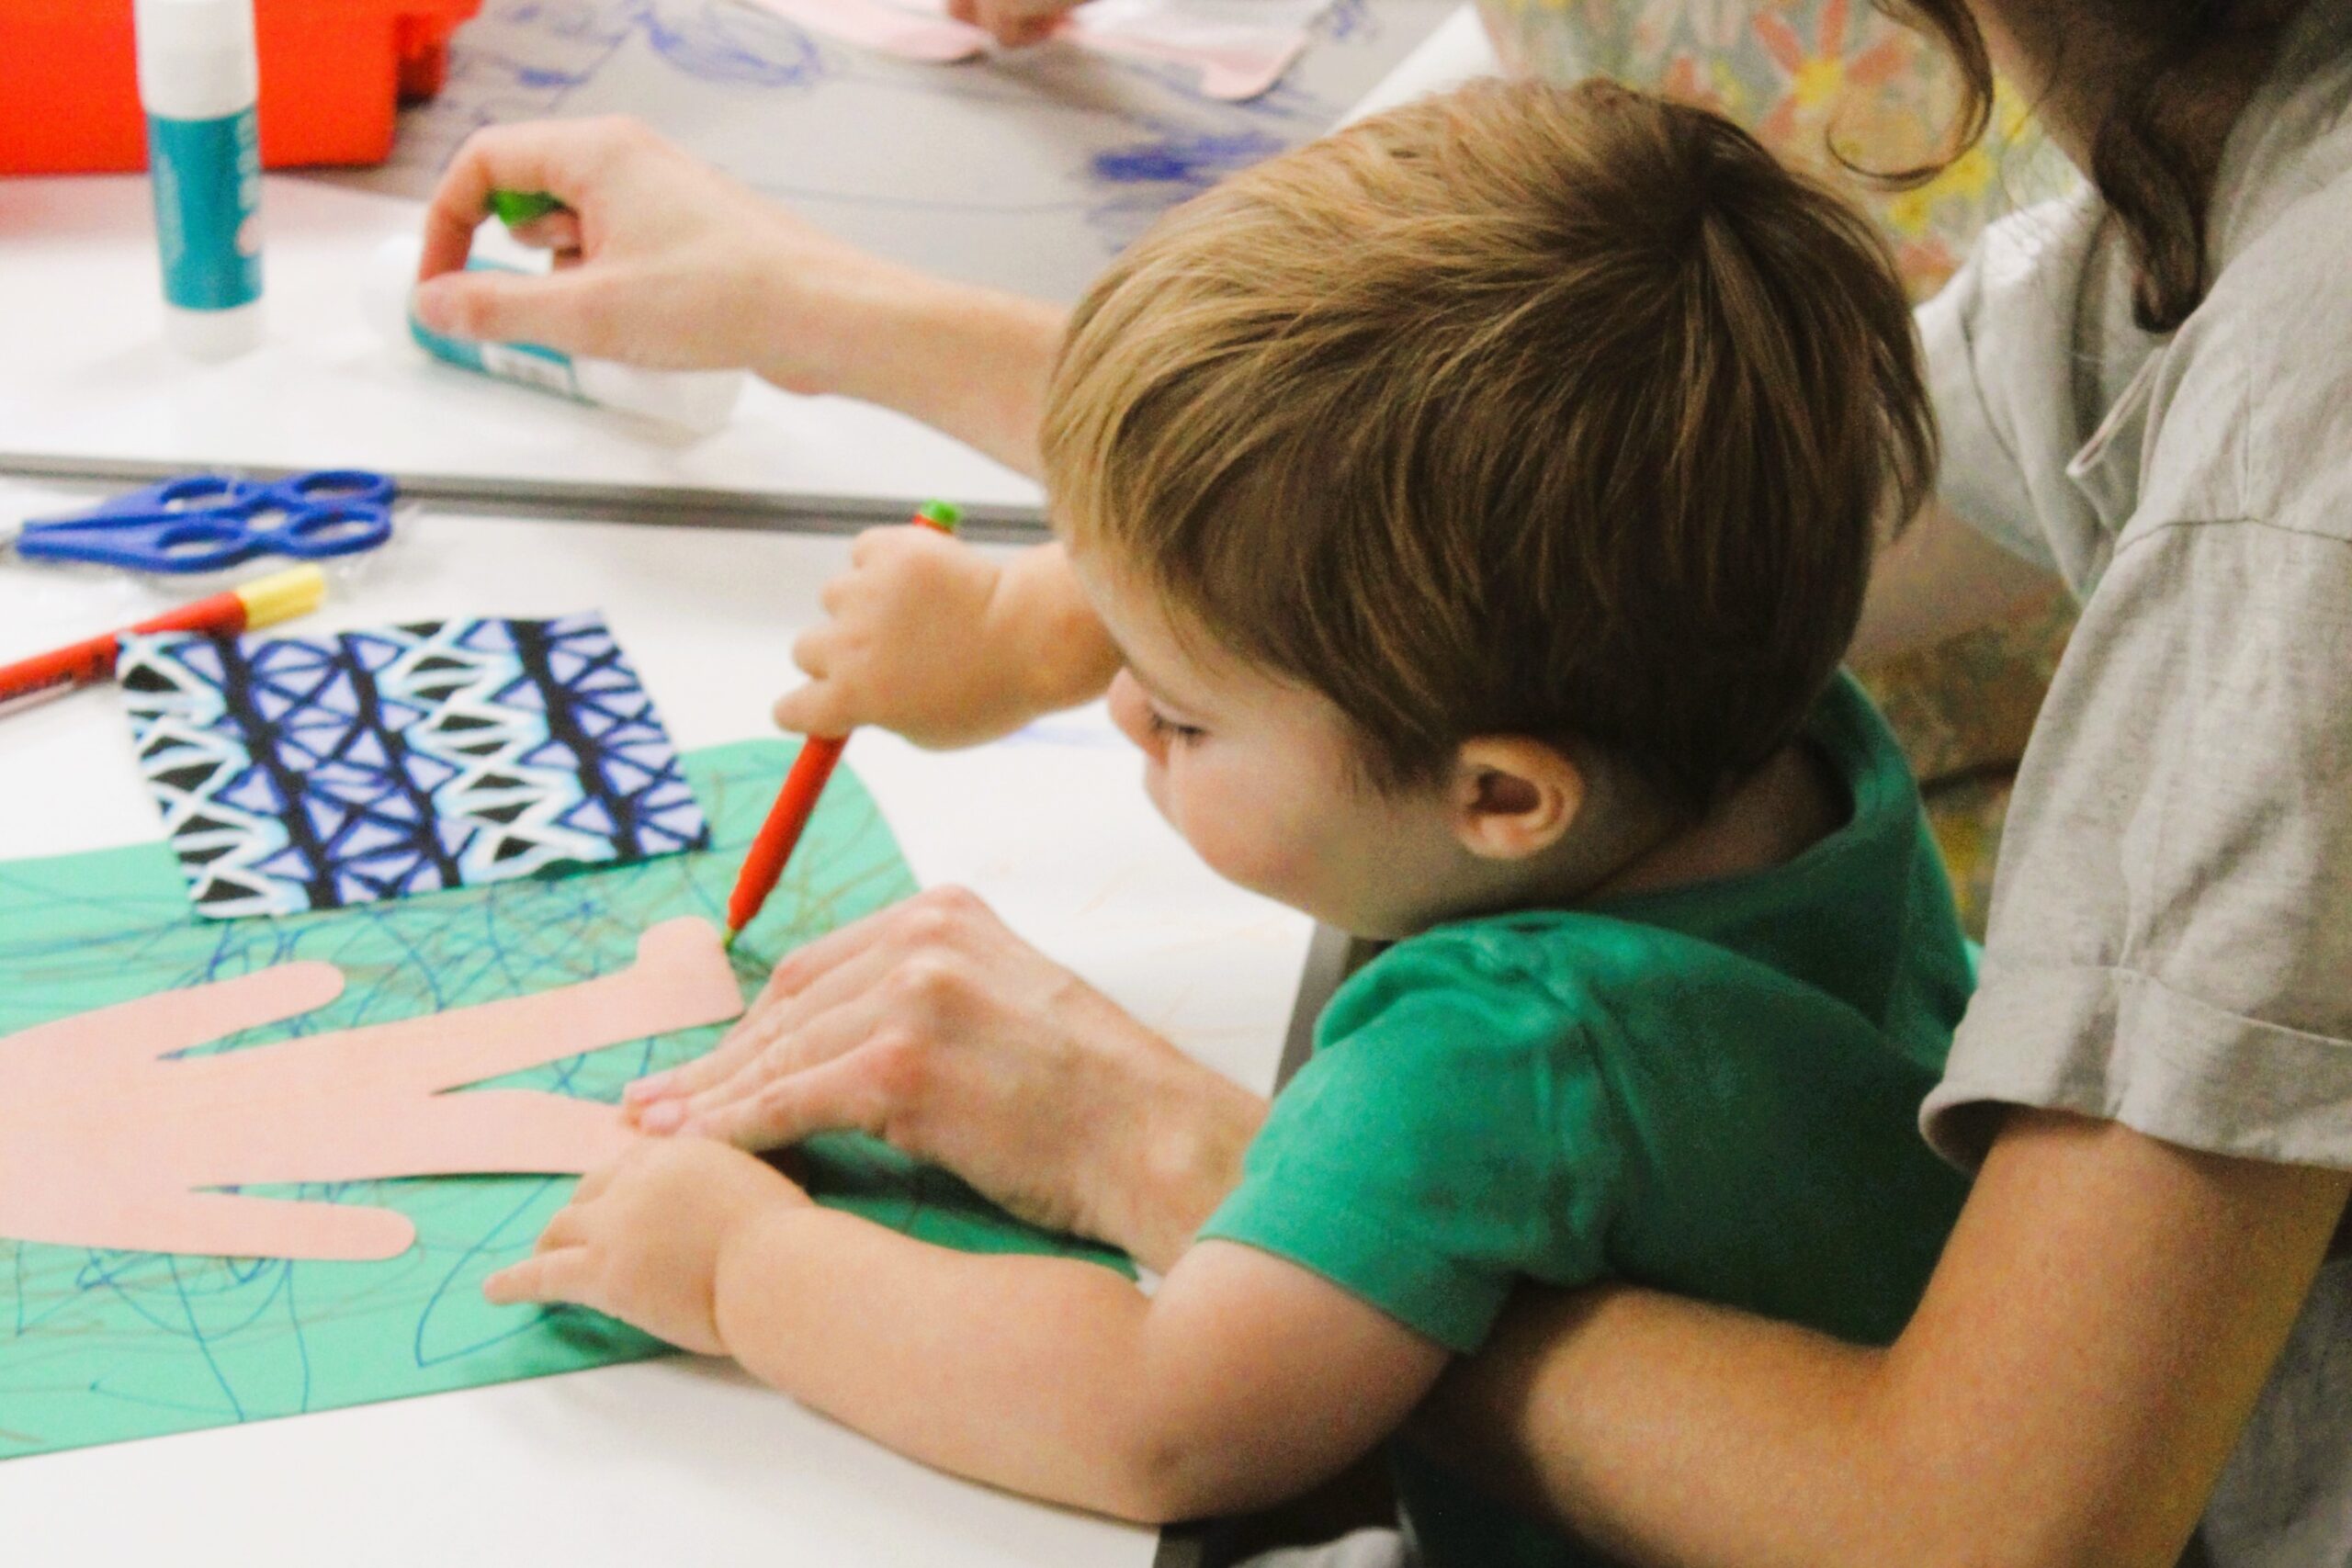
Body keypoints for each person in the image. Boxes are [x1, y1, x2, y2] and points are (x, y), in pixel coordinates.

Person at [417, 0, 2352, 1560]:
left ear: (1504, 798)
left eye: (1175, 714)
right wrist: (1041, 586)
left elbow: (1155, 1415)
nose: (1122, 725)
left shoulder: (1487, 1045)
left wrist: (756, 1264)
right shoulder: (1774, 729)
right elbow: (1538, 519)